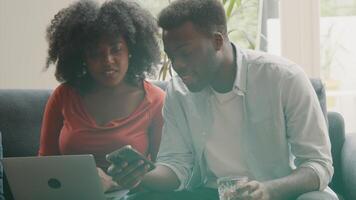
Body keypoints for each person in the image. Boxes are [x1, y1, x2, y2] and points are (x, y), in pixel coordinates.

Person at [108, 0, 338, 199]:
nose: (177, 65)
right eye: (171, 56)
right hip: (210, 194)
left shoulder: (283, 78)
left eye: (186, 53)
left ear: (218, 42)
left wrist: (269, 191)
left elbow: (318, 165)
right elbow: (177, 169)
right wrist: (141, 175)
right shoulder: (178, 92)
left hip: (276, 194)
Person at [38, 0, 164, 194]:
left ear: (131, 50)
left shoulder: (156, 100)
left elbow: (162, 172)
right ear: (82, 58)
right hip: (72, 194)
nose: (107, 61)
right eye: (96, 54)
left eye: (116, 49)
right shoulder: (63, 96)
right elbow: (45, 164)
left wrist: (116, 183)